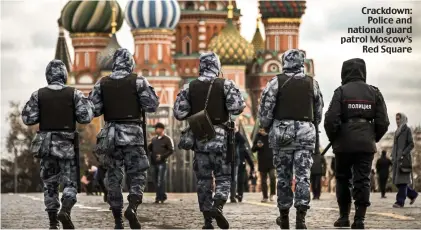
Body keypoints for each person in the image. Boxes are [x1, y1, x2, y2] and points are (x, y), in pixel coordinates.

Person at [173, 52, 245, 229]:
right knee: (223, 177)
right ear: (217, 67)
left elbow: (179, 112)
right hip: (221, 138)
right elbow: (238, 107)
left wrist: (195, 112)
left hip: (200, 137)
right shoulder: (226, 85)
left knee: (203, 179)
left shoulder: (189, 87)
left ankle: (207, 221)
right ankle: (218, 206)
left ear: (201, 66)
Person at [89, 48, 159, 229]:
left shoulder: (101, 83)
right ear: (130, 63)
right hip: (133, 135)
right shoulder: (138, 81)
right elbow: (152, 105)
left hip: (110, 136)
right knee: (138, 174)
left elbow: (93, 110)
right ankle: (133, 206)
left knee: (113, 176)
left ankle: (118, 219)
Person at [22, 60, 94, 229]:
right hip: (67, 145)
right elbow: (85, 117)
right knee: (70, 183)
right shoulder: (74, 94)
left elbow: (27, 118)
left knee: (50, 184)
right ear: (64, 75)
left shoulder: (38, 95)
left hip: (46, 145)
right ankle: (66, 210)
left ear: (48, 76)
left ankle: (53, 221)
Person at [259, 49, 324, 229]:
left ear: (284, 62)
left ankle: (284, 216)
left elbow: (265, 112)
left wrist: (267, 126)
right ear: (302, 62)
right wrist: (309, 125)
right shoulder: (313, 83)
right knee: (303, 176)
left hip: (282, 136)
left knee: (283, 177)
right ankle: (301, 218)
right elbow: (318, 113)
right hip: (305, 135)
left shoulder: (275, 82)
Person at [324, 58, 389, 229]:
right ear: (363, 72)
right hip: (365, 143)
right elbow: (383, 121)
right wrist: (372, 137)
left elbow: (330, 119)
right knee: (363, 179)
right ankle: (359, 219)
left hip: (343, 144)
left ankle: (344, 217)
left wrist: (335, 137)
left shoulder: (341, 91)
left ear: (344, 73)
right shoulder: (374, 92)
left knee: (343, 179)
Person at [391, 113, 417, 208]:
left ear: (402, 119)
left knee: (402, 181)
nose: (397, 121)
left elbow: (411, 144)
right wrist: (392, 155)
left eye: (398, 119)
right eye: (396, 119)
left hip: (404, 160)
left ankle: (400, 202)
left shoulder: (407, 130)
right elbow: (395, 145)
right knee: (398, 182)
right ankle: (412, 194)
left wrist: (403, 153)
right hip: (396, 160)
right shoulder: (397, 131)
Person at [148, 122, 174, 203]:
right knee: (155, 181)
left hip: (162, 163)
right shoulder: (154, 139)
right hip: (153, 163)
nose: (156, 130)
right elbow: (150, 149)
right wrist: (150, 144)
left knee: (160, 180)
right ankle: (161, 196)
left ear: (162, 129)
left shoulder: (167, 139)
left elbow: (171, 150)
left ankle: (159, 197)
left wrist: (162, 156)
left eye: (157, 128)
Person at [251, 128, 276, 203]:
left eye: (262, 130)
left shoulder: (272, 135)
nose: (261, 131)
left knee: (272, 177)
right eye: (260, 130)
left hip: (272, 161)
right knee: (263, 180)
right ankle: (265, 196)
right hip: (262, 162)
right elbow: (253, 149)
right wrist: (257, 146)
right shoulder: (258, 136)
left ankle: (272, 194)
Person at [231, 128, 255, 203]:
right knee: (233, 180)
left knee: (240, 181)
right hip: (233, 165)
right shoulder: (231, 145)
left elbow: (248, 157)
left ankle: (240, 195)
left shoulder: (242, 146)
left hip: (241, 165)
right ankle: (233, 195)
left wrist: (252, 167)